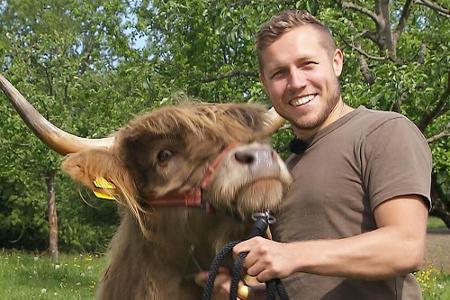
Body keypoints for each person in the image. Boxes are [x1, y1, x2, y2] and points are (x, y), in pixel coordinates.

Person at [197, 9, 432, 300]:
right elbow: (300, 284)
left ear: (336, 62)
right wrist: (244, 292)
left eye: (307, 64)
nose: (296, 83)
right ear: (264, 82)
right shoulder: (283, 167)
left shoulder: (383, 131)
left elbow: (405, 247)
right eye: (279, 73)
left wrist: (291, 255)